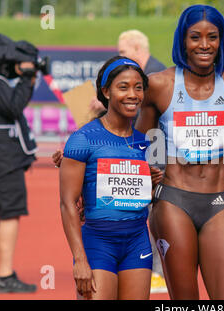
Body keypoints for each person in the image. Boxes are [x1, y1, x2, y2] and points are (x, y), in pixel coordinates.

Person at [135, 5, 224, 299]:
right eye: (195, 37)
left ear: (221, 40)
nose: (204, 45)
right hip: (173, 202)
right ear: (182, 41)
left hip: (218, 202)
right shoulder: (159, 85)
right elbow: (138, 143)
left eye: (212, 37)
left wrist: (218, 179)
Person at [54, 29, 168, 293]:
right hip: (98, 244)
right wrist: (80, 259)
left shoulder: (147, 142)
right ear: (106, 91)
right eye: (123, 87)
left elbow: (140, 196)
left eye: (138, 88)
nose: (132, 95)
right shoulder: (83, 139)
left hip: (138, 244)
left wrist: (150, 185)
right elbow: (67, 203)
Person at [0, 59, 38, 293]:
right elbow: (13, 107)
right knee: (9, 212)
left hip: (6, 159)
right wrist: (25, 79)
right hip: (5, 160)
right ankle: (4, 275)